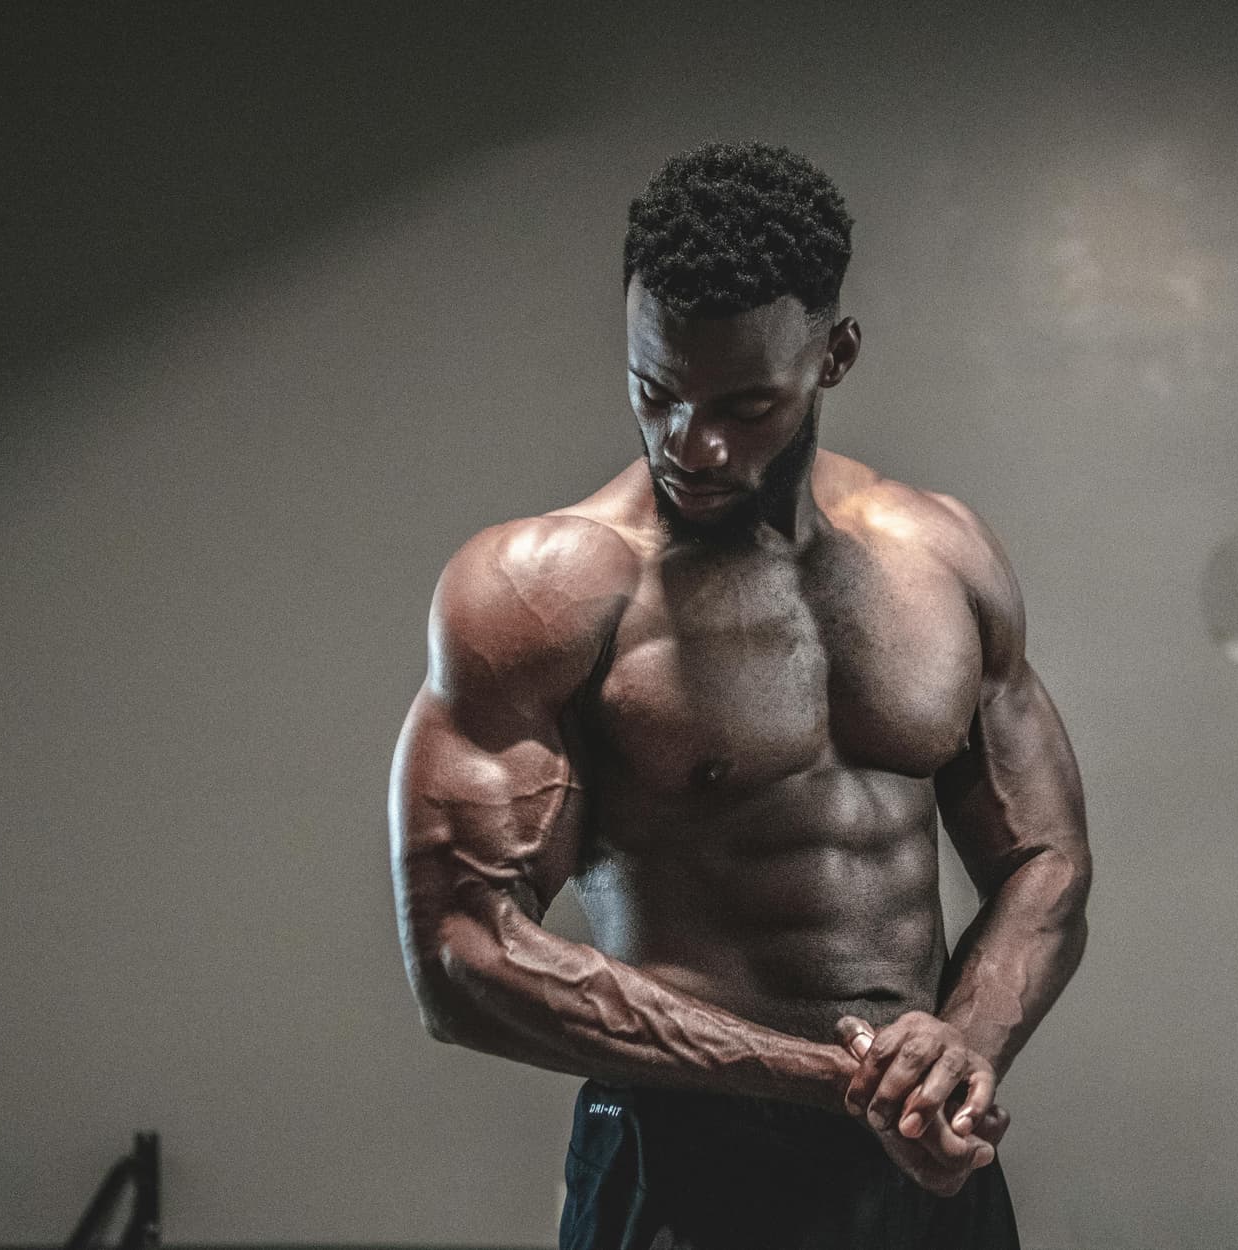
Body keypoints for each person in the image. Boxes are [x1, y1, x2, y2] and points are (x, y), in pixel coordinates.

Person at [388, 140, 1091, 1248]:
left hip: (919, 1166)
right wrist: (837, 1079)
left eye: (744, 402)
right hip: (683, 1169)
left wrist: (965, 1045)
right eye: (654, 390)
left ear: (836, 355)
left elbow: (1045, 858)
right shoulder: (545, 592)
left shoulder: (943, 555)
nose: (690, 443)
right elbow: (461, 955)